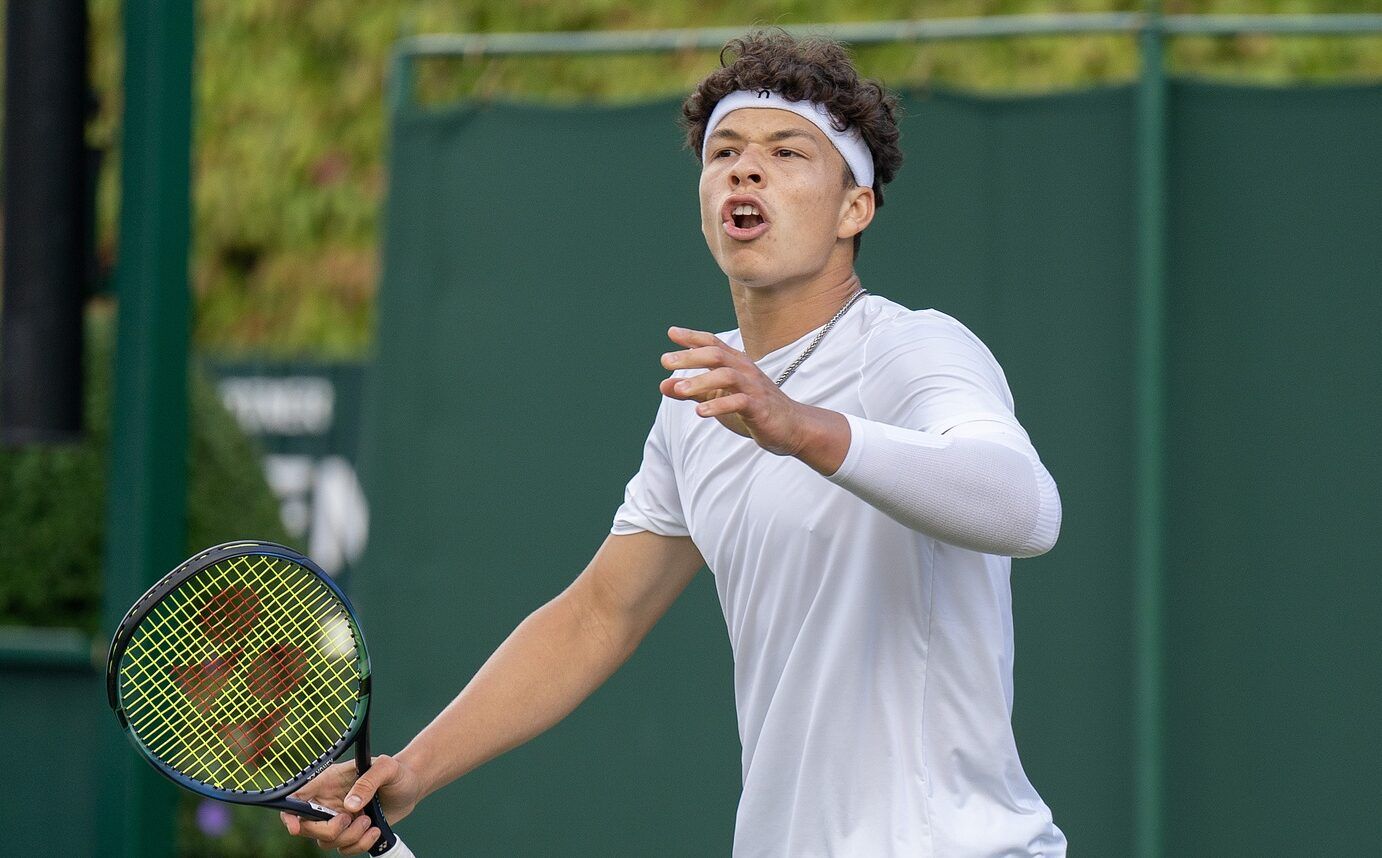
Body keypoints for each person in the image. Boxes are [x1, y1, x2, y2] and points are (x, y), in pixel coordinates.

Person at [283, 30, 1066, 857]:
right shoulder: (701, 401)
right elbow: (597, 615)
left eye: (788, 152)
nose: (746, 167)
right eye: (724, 150)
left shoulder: (912, 348)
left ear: (854, 208)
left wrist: (802, 430)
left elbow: (1027, 509)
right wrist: (413, 771)